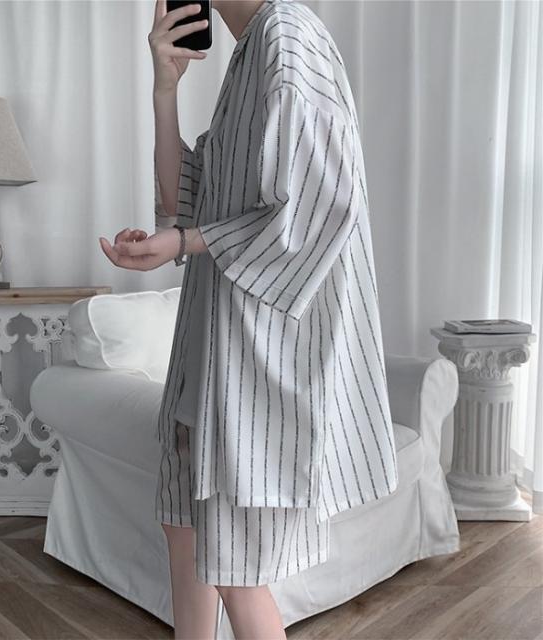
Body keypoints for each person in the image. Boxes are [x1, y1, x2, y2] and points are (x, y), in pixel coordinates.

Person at [99, 1, 399, 638]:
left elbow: (320, 207)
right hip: (211, 344)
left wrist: (186, 242)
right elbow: (185, 200)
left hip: (257, 356)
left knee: (237, 569)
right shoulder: (251, 52)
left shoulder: (288, 35)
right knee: (184, 527)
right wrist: (164, 89)